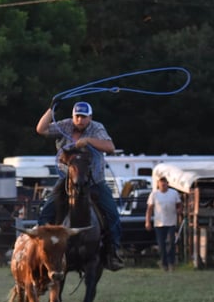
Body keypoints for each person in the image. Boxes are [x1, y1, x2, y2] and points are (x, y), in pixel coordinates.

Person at [35, 101, 124, 271]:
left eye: (84, 117)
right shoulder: (65, 125)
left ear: (90, 118)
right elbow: (41, 129)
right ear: (73, 116)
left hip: (94, 181)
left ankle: (112, 251)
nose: (80, 120)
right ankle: (40, 248)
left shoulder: (97, 128)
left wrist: (88, 140)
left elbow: (110, 147)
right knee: (47, 210)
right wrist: (51, 109)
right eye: (77, 116)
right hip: (67, 179)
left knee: (112, 214)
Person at [145, 176, 183, 272]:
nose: (163, 185)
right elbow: (149, 209)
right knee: (161, 245)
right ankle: (164, 263)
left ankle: (171, 263)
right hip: (159, 223)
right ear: (158, 184)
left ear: (167, 183)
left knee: (171, 243)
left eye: (164, 183)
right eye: (161, 183)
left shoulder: (173, 193)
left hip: (171, 222)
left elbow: (179, 205)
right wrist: (148, 221)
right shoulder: (154, 194)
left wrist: (179, 210)